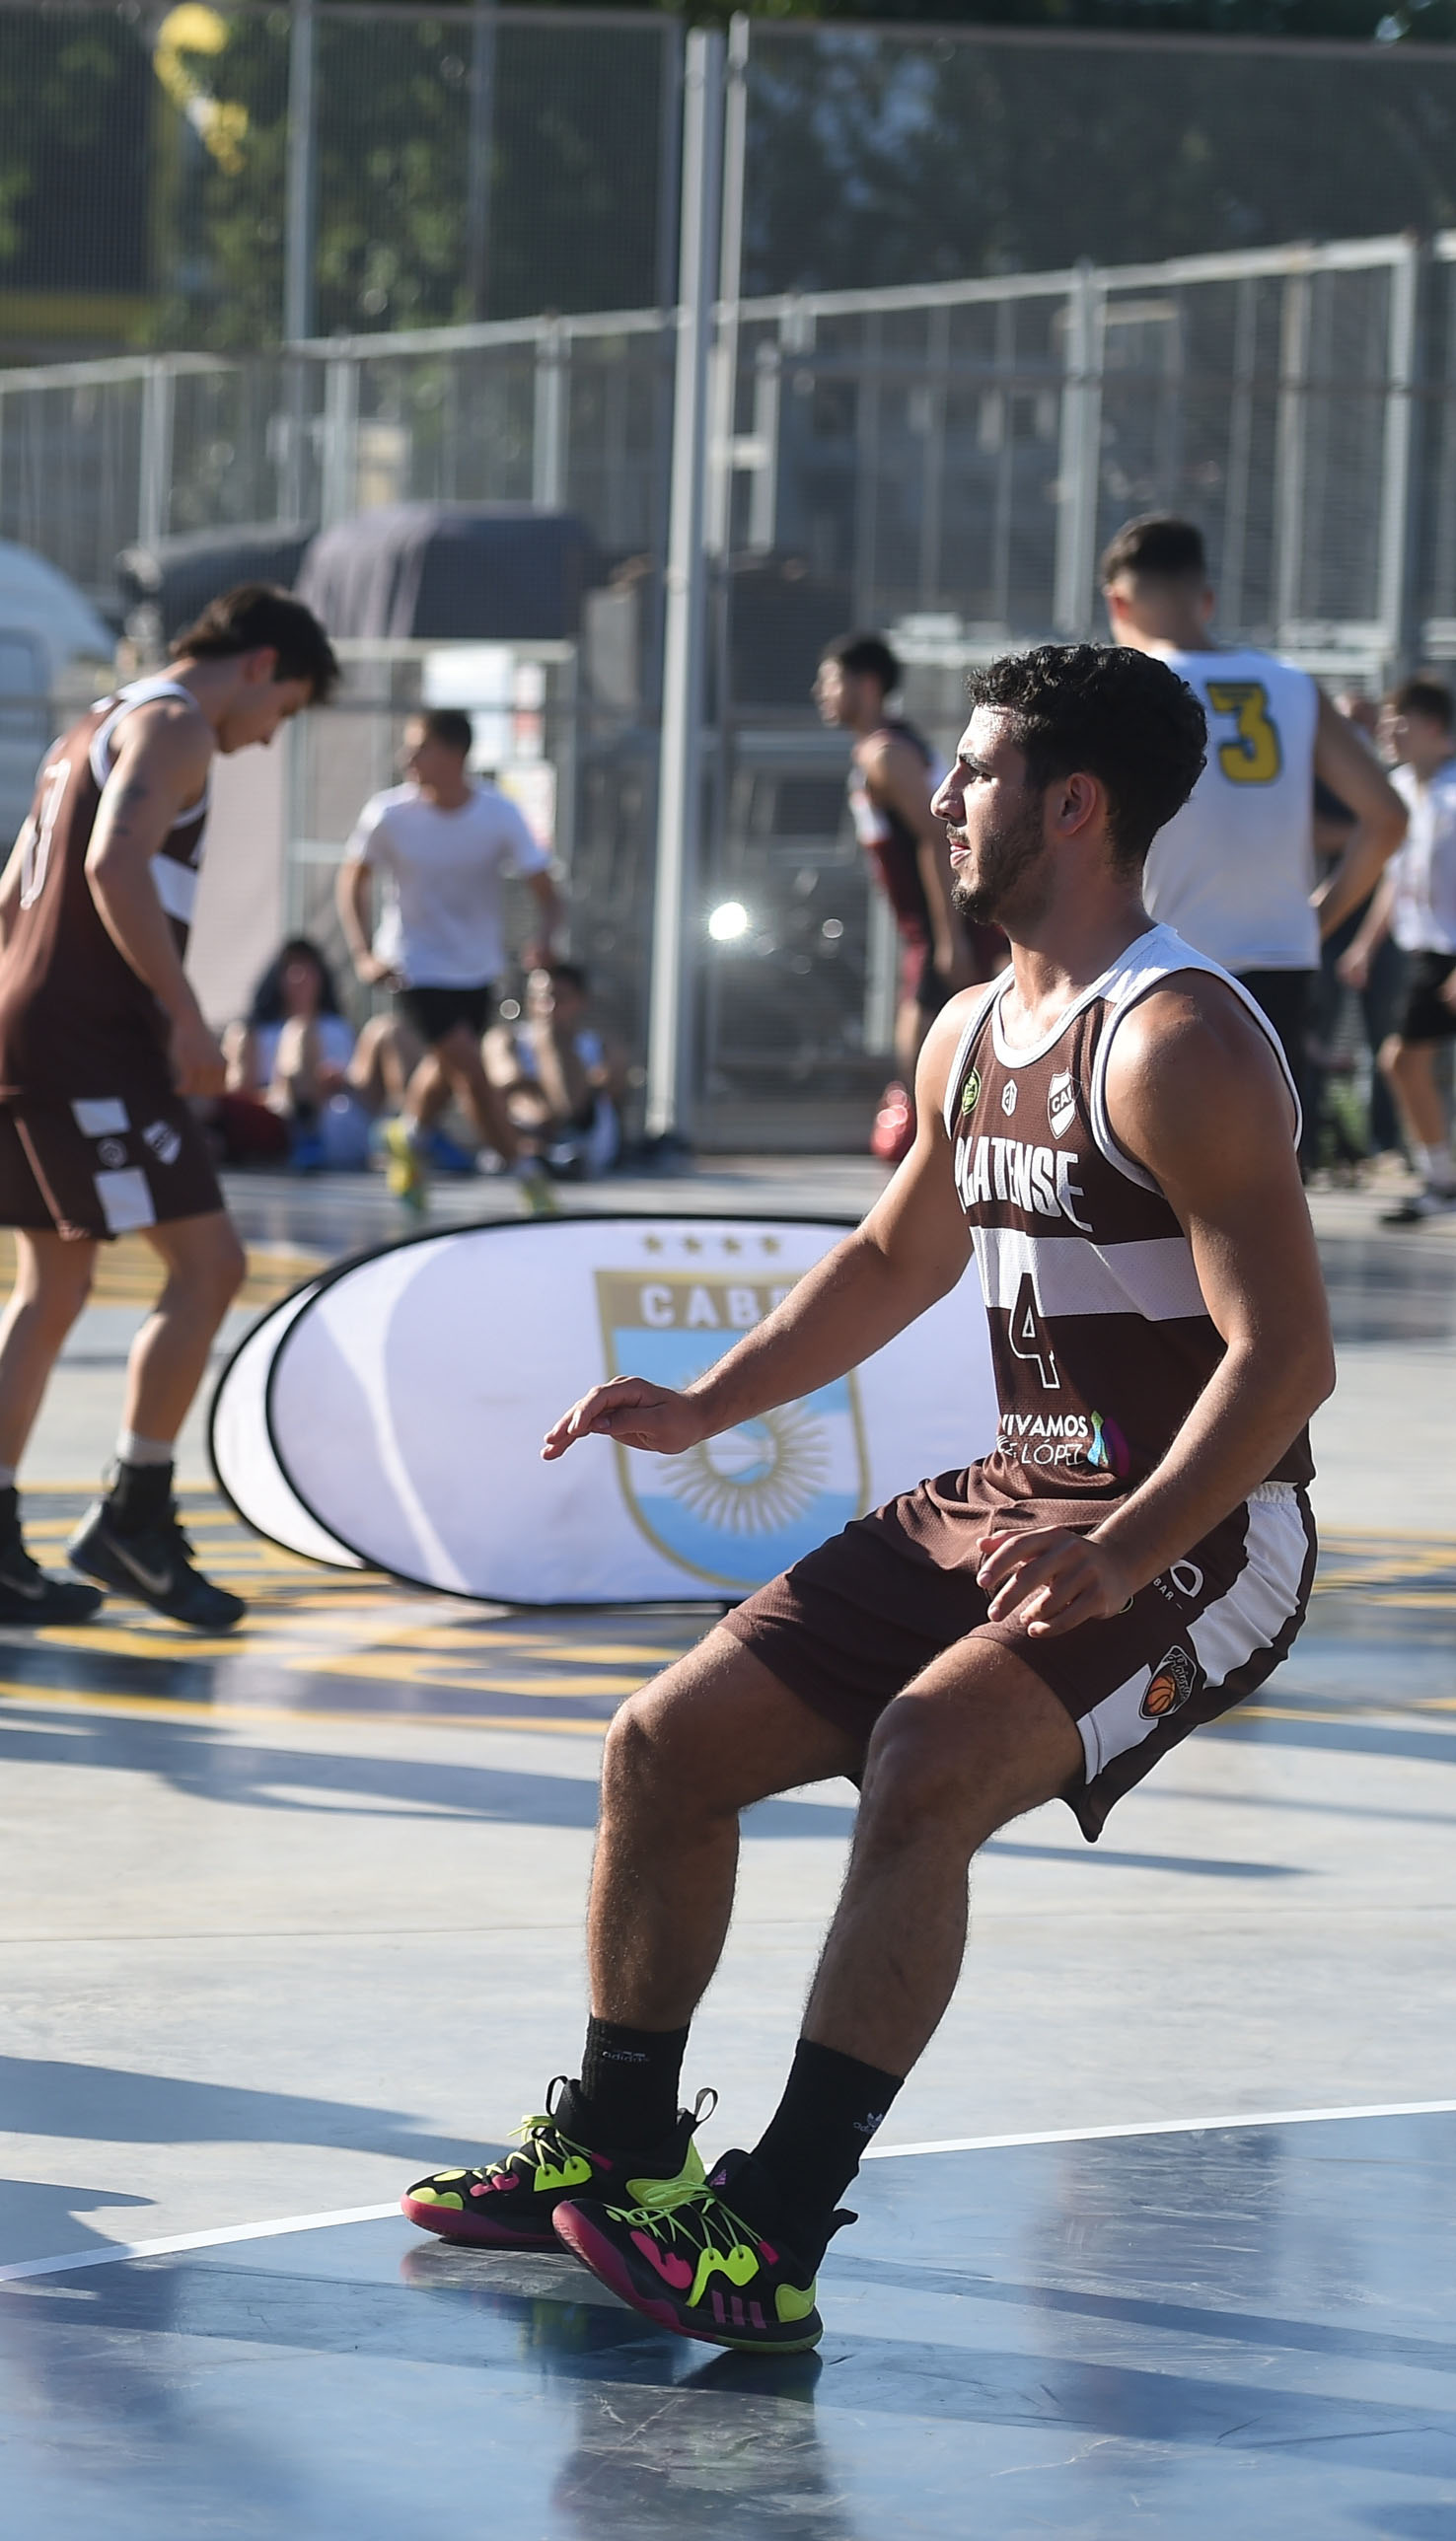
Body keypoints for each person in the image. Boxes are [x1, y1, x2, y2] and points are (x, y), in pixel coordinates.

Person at [403, 643, 1329, 2354]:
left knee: (923, 1765)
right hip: (1014, 1497)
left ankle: (769, 2231)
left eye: (972, 773)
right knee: (658, 1748)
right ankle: (610, 2149)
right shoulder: (979, 1022)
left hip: (1205, 1531)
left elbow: (1286, 1361)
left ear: (1073, 803)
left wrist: (1124, 1551)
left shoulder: (1180, 1040)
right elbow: (893, 1256)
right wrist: (703, 1403)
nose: (940, 796)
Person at [0, 586, 337, 1634]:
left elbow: (5, 901)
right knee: (209, 1265)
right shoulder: (177, 724)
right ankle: (133, 1513)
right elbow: (113, 862)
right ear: (257, 664)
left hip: (22, 1015)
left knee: (50, 1285)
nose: (262, 740)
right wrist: (180, 1012)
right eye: (282, 710)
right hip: (86, 1035)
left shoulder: (92, 724)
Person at [1101, 513, 1400, 1169]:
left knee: (1153, 1174)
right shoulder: (1290, 684)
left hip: (1160, 957)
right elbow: (1387, 816)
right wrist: (1313, 922)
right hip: (1276, 960)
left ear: (1116, 602)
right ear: (1204, 597)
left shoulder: (1131, 685)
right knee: (1264, 1174)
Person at [338, 709, 564, 1213]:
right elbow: (353, 878)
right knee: (472, 1071)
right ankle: (528, 1175)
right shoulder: (389, 813)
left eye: (421, 748)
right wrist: (363, 953)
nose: (408, 759)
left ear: (456, 755)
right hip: (413, 965)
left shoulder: (498, 813)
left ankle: (409, 1135)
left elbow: (547, 891)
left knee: (447, 1068)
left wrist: (544, 939)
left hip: (476, 969)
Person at [819, 631, 1000, 1156]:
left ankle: (939, 1149)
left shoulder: (887, 755)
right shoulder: (878, 750)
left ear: (868, 685)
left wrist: (950, 940)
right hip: (924, 925)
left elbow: (931, 841)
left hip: (943, 921)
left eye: (831, 680)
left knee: (921, 1041)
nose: (820, 692)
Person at [1349, 675, 1456, 1223]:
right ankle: (1441, 1181)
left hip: (1451, 957)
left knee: (1402, 1060)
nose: (1391, 732)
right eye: (1388, 721)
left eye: (1403, 722)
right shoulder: (1397, 791)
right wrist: (1365, 945)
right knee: (1403, 1062)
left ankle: (1441, 1180)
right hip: (1426, 956)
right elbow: (1394, 879)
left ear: (1437, 729)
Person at [224, 934, 370, 1173]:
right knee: (299, 1030)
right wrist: (287, 1088)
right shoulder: (254, 1033)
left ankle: (421, 1132)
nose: (301, 977)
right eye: (293, 969)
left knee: (384, 1031)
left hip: (333, 1122)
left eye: (309, 969)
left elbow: (357, 1084)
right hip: (276, 1116)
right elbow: (240, 1091)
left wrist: (333, 1082)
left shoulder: (338, 1028)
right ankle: (303, 1127)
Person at [489, 960, 627, 1180]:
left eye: (559, 998)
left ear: (581, 1001)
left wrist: (555, 1042)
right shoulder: (506, 1040)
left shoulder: (602, 1046)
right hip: (525, 1136)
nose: (548, 1007)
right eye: (541, 998)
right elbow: (506, 1082)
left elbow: (597, 1093)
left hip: (586, 1147)